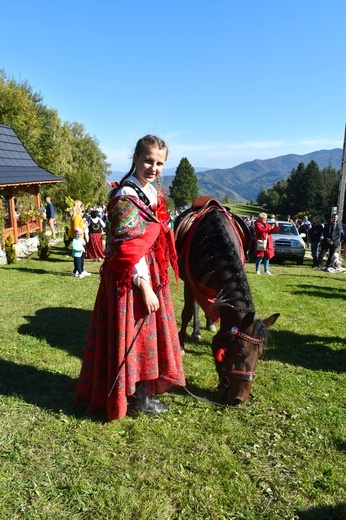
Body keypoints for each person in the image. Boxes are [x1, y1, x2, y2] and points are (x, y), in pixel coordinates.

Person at [74, 135, 185, 421]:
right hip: (130, 280)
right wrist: (145, 286)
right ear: (135, 158)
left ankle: (140, 393)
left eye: (160, 163)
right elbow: (128, 250)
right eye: (148, 160)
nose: (154, 168)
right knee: (135, 339)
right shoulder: (125, 197)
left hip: (147, 274)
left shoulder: (148, 193)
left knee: (147, 337)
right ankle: (135, 399)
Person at [70, 200, 91, 277]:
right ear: (79, 207)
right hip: (79, 238)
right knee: (79, 255)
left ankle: (80, 270)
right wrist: (80, 238)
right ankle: (80, 271)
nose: (83, 208)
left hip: (78, 238)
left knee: (81, 255)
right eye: (82, 207)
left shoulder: (74, 216)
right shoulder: (77, 217)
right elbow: (76, 228)